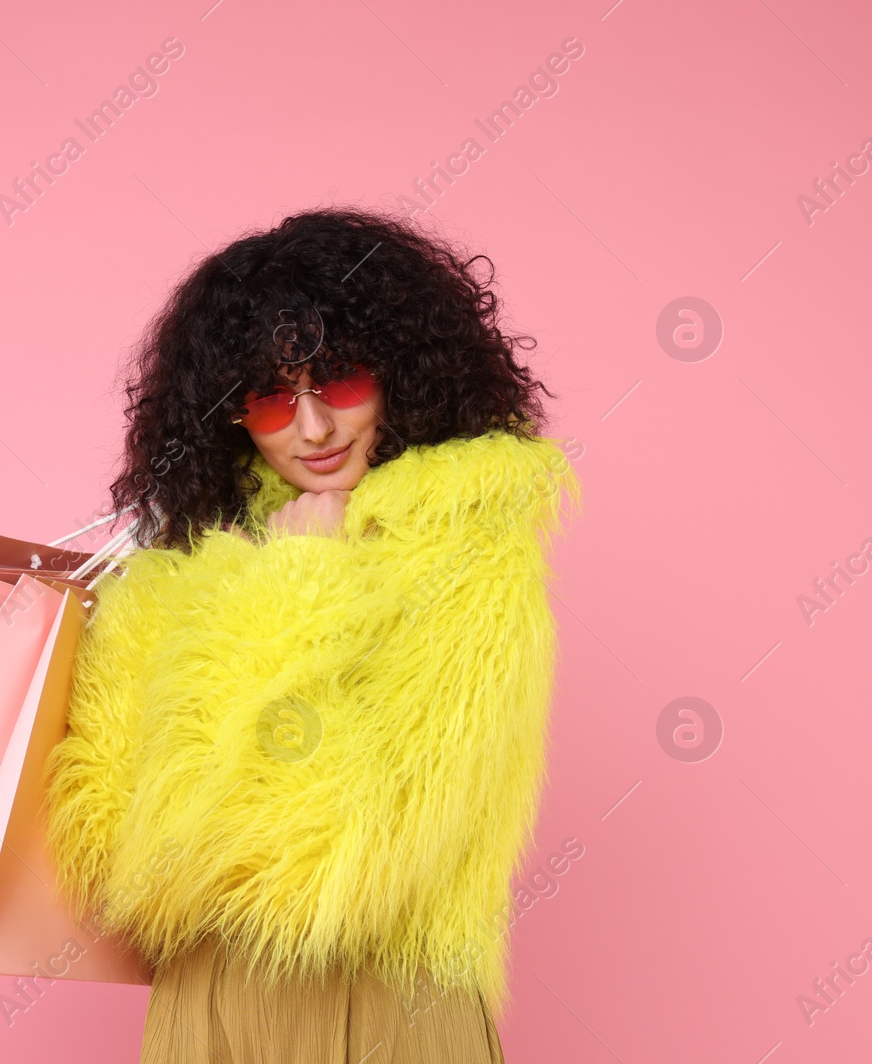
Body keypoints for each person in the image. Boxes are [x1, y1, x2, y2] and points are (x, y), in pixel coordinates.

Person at [44, 207, 582, 1063]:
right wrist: (124, 632)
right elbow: (123, 858)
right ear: (230, 414)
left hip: (382, 1005)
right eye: (269, 397)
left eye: (336, 381)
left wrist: (300, 588)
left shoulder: (466, 549)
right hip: (205, 1005)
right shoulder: (187, 569)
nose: (315, 428)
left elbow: (337, 858)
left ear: (399, 373)